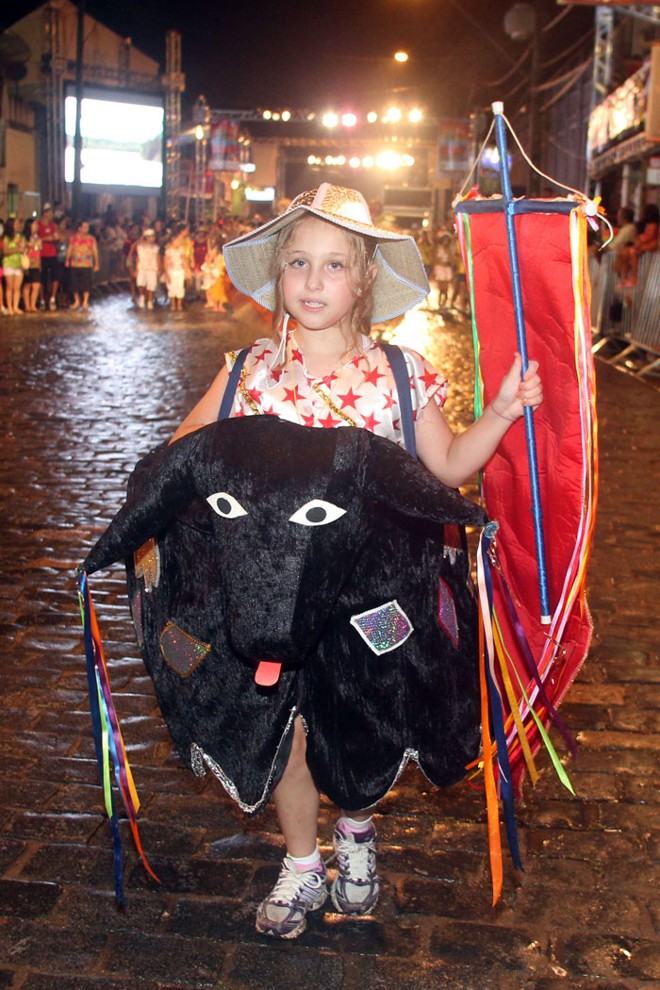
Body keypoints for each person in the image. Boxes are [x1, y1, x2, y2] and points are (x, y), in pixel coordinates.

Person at [169, 184, 542, 940]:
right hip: (274, 605)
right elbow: (182, 456)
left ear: (364, 278)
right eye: (298, 262)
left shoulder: (400, 375)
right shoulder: (248, 373)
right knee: (290, 734)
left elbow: (443, 470)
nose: (312, 281)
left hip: (369, 603)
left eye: (334, 265)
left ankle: (357, 837)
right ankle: (303, 861)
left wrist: (500, 413)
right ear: (277, 273)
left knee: (356, 730)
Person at [65, 219, 99, 312]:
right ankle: (77, 301)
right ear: (79, 228)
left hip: (86, 264)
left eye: (87, 227)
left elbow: (95, 251)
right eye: (84, 227)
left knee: (86, 283)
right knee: (74, 283)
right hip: (75, 263)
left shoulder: (91, 239)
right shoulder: (73, 238)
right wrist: (67, 260)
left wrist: (96, 263)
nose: (86, 229)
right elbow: (70, 249)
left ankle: (85, 301)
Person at [1, 217, 26, 316]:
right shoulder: (6, 238)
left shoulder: (21, 237)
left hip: (19, 264)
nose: (18, 225)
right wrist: (16, 250)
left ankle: (16, 307)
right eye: (16, 223)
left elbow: (24, 249)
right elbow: (5, 251)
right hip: (9, 263)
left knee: (17, 287)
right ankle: (10, 307)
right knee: (9, 287)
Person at [37, 203, 60, 310]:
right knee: (42, 278)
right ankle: (42, 298)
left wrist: (56, 238)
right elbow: (36, 239)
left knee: (55, 276)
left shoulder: (53, 226)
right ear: (45, 213)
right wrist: (46, 239)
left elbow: (57, 237)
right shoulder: (38, 225)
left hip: (52, 253)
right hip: (42, 254)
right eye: (50, 212)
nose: (51, 215)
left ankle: (52, 298)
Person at [134, 228, 161, 310]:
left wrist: (159, 268)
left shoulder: (156, 247)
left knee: (151, 285)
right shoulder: (140, 246)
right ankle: (142, 297)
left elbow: (157, 258)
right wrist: (136, 269)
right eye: (149, 237)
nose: (151, 238)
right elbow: (138, 258)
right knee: (140, 283)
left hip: (152, 268)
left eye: (153, 237)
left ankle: (150, 301)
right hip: (142, 267)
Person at [22, 218, 43, 313]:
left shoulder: (38, 238)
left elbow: (39, 251)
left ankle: (33, 304)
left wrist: (40, 264)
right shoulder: (24, 238)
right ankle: (27, 305)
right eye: (34, 225)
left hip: (36, 263)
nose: (36, 226)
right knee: (27, 285)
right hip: (27, 264)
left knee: (36, 285)